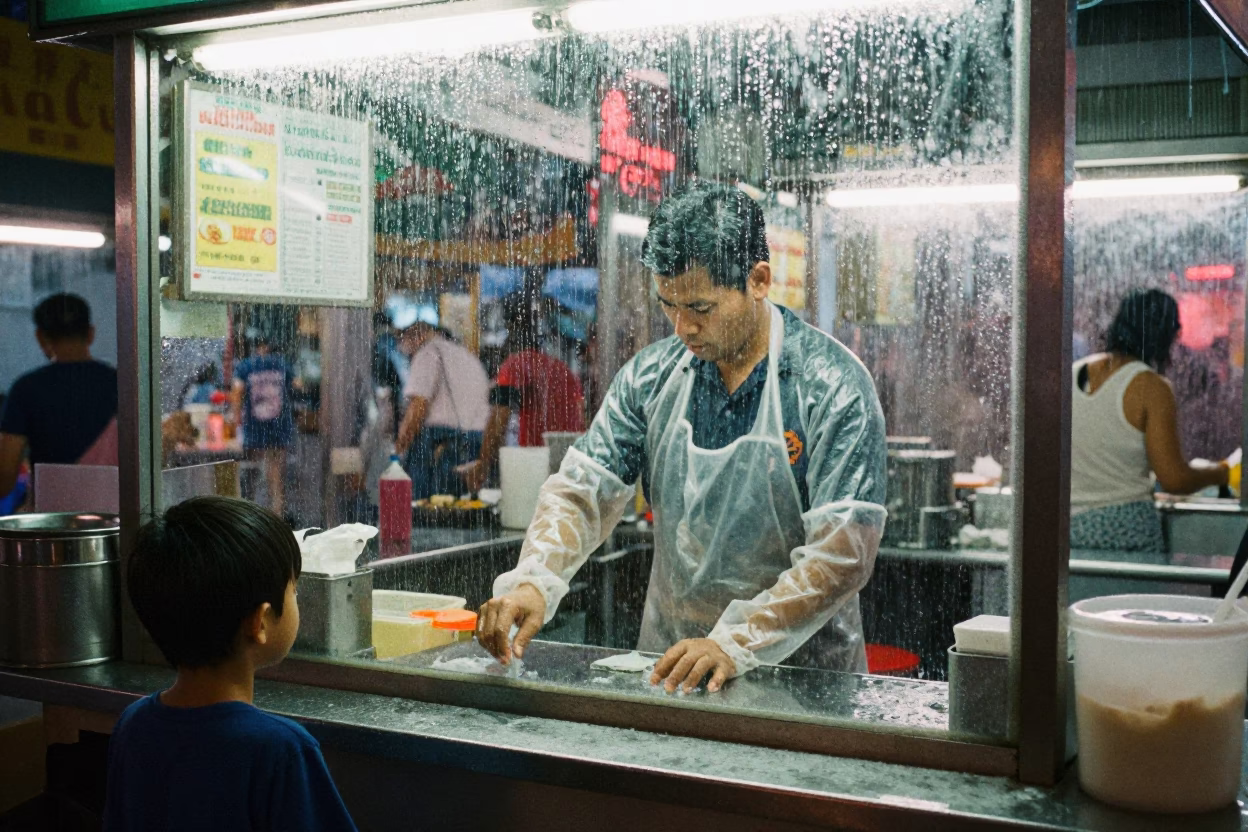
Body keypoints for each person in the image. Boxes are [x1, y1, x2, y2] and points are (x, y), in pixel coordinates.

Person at [476, 182, 888, 694]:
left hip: (805, 685)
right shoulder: (652, 379)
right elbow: (582, 490)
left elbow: (843, 552)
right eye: (668, 305)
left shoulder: (830, 386)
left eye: (701, 307)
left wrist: (735, 643)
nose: (683, 327)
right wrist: (535, 580)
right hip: (673, 674)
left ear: (758, 281)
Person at [104, 496, 357, 832]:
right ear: (261, 621)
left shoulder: (133, 725)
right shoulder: (280, 750)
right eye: (293, 589)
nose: (296, 598)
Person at [1071, 289, 1231, 551]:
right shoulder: (1151, 387)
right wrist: (1221, 472)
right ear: (1165, 335)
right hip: (1126, 531)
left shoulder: (1075, 373)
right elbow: (1174, 479)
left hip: (1070, 532)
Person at [461, 298, 587, 491]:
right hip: (570, 467)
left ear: (510, 328)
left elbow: (498, 419)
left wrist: (482, 465)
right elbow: (581, 416)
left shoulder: (514, 366)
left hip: (532, 464)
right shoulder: (563, 370)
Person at [0, 293, 118, 496]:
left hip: (53, 519)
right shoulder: (121, 383)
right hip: (116, 515)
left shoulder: (26, 389)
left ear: (40, 337)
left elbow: (4, 476)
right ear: (91, 333)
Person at [395, 321, 490, 499]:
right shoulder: (466, 355)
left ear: (417, 336)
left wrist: (399, 448)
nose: (404, 348)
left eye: (405, 340)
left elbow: (418, 407)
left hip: (443, 444)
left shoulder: (428, 353)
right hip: (477, 442)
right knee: (460, 509)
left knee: (429, 510)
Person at [232, 333, 295, 517]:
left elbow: (237, 392)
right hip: (278, 427)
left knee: (249, 474)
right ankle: (277, 517)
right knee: (276, 478)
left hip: (254, 427)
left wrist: (236, 418)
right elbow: (298, 384)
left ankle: (247, 516)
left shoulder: (246, 365)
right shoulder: (281, 364)